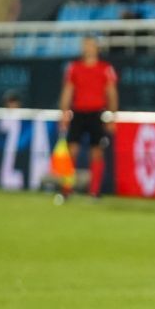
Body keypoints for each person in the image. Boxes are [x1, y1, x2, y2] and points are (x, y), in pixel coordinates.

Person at [57, 35, 118, 200]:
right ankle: (66, 188)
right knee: (72, 151)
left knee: (97, 152)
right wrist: (64, 112)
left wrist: (112, 115)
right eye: (85, 45)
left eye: (90, 45)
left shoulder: (105, 68)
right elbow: (68, 90)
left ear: (96, 48)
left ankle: (94, 191)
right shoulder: (74, 68)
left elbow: (111, 92)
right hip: (78, 113)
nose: (87, 48)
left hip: (96, 113)